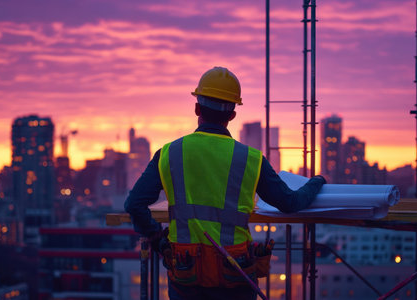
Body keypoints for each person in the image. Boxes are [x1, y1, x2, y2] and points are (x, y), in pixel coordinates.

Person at [124, 66, 326, 300]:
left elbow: (134, 204)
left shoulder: (169, 153)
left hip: (187, 272)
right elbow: (290, 202)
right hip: (234, 273)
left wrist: (158, 240)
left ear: (197, 108)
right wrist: (316, 182)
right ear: (232, 115)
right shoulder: (250, 158)